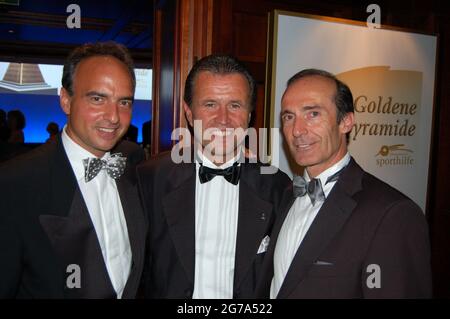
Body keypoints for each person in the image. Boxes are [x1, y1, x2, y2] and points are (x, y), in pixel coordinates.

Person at [256, 69, 432, 298]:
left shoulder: (392, 214)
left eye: (313, 114)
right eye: (289, 117)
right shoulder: (287, 194)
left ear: (346, 122)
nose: (297, 130)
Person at [0, 41, 147, 298]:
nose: (113, 116)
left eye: (124, 102)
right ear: (66, 100)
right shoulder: (14, 184)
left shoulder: (133, 162)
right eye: (98, 98)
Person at [137, 55, 291, 298]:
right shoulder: (149, 179)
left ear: (249, 114)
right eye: (210, 104)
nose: (223, 119)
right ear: (189, 113)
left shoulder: (278, 187)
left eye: (235, 105)